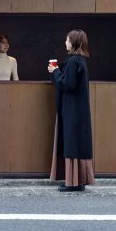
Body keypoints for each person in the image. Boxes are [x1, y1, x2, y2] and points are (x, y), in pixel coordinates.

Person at [47, 29, 94, 192]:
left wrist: (55, 72)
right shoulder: (81, 61)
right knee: (77, 142)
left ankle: (72, 183)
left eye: (67, 40)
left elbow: (68, 85)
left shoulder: (74, 61)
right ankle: (77, 181)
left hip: (72, 109)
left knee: (72, 142)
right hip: (79, 109)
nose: (65, 43)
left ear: (74, 42)